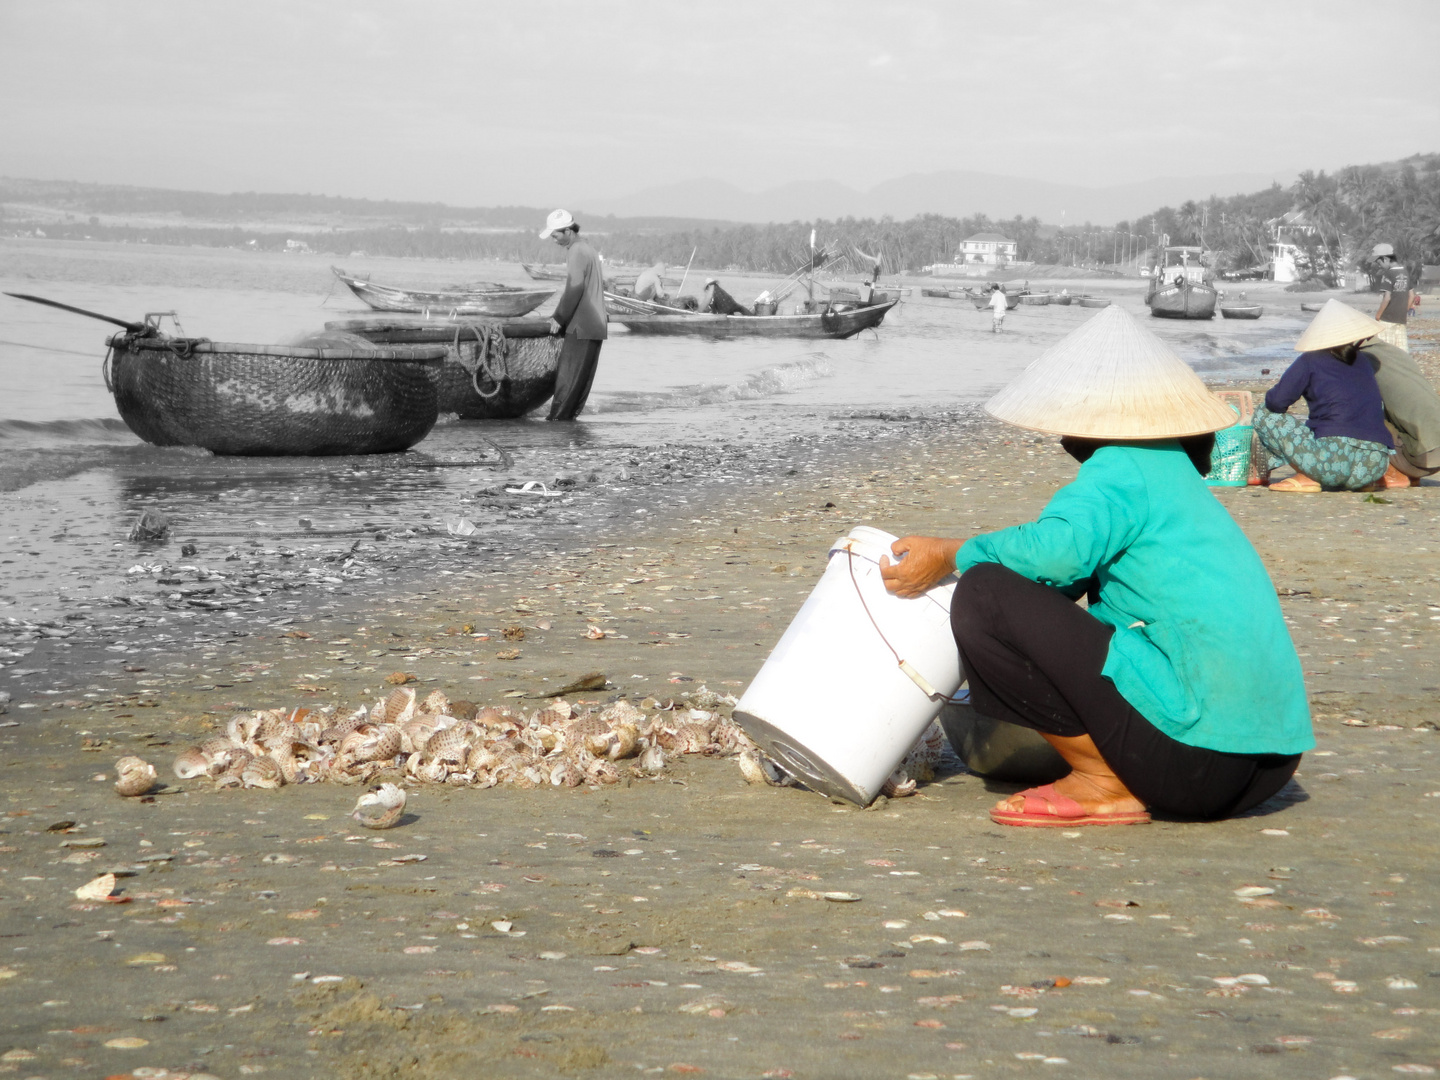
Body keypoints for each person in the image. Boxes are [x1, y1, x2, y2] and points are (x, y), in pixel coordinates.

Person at [879, 306, 1312, 826]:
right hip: (1268, 765)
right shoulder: (1171, 475)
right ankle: (1114, 770)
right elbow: (1056, 584)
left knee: (985, 594)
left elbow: (1053, 556)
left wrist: (950, 553)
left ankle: (1102, 780)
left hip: (1198, 762)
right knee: (1010, 590)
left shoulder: (1124, 464)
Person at [1252, 300, 1393, 492]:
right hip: (1374, 465)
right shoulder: (1364, 362)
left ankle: (1308, 476)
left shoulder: (1310, 360)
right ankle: (1360, 483)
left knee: (1263, 414)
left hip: (1331, 462)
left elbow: (1276, 402)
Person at [540, 209, 607, 421]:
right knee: (579, 386)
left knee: (567, 383)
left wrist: (558, 317)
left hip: (581, 325)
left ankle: (558, 427)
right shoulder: (587, 248)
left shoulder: (576, 251)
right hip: (595, 325)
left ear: (568, 231)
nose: (553, 239)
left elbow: (575, 288)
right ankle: (568, 427)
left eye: (555, 235)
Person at [1371, 242, 1412, 351]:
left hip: (1387, 319)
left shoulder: (1389, 274)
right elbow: (1411, 296)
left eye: (1379, 263)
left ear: (1385, 259)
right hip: (1401, 319)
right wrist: (1404, 311)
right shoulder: (1405, 272)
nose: (1379, 266)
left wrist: (1378, 315)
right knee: (1401, 351)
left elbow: (1387, 298)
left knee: (1384, 351)